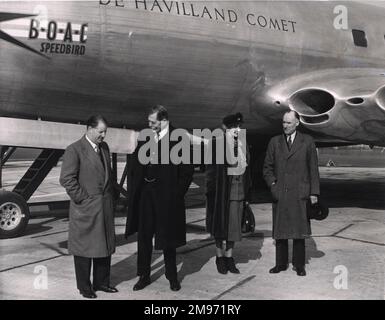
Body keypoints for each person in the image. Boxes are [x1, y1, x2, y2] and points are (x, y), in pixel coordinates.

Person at [125, 105, 194, 291]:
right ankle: (144, 275)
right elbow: (135, 161)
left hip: (167, 197)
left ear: (164, 120)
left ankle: (172, 276)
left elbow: (187, 172)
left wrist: (176, 195)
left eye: (152, 122)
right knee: (144, 237)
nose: (149, 125)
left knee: (168, 238)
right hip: (146, 194)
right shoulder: (146, 136)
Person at [59, 115, 118, 298]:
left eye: (105, 132)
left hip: (104, 207)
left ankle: (102, 283)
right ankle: (85, 287)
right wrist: (83, 200)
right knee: (84, 250)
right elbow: (67, 179)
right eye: (101, 132)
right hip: (86, 208)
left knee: (104, 247)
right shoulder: (74, 149)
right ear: (89, 129)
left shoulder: (104, 148)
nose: (103, 135)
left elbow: (108, 174)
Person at [263, 110, 320, 276]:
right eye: (283, 122)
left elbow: (313, 169)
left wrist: (314, 192)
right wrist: (273, 185)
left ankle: (299, 265)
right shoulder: (274, 142)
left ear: (297, 123)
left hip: (299, 193)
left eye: (288, 122)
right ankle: (280, 264)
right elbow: (267, 168)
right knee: (280, 232)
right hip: (280, 192)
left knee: (298, 232)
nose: (285, 125)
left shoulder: (307, 141)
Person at [205, 112, 251, 274]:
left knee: (234, 228)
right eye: (233, 127)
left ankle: (229, 257)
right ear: (225, 128)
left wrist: (247, 195)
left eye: (239, 126)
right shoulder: (217, 144)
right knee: (219, 228)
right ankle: (219, 257)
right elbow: (210, 173)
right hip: (222, 193)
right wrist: (211, 195)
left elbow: (247, 172)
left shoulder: (243, 144)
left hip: (238, 193)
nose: (237, 129)